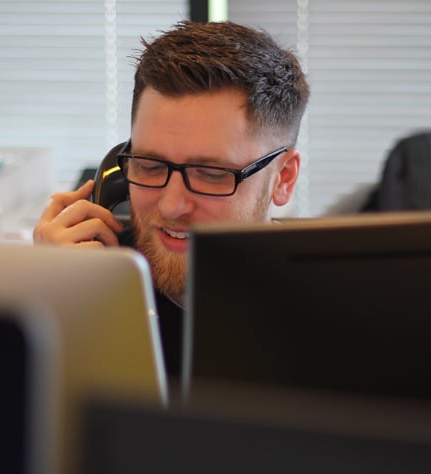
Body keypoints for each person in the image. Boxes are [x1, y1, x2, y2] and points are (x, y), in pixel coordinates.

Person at [33, 20, 310, 380]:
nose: (170, 206)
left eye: (211, 174)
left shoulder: (330, 321)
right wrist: (47, 301)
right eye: (149, 165)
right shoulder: (88, 283)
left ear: (283, 178)